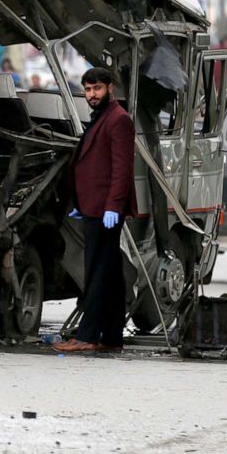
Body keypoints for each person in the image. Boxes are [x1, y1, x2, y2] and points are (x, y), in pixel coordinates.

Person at [55, 67, 136, 353]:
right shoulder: (102, 118)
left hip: (105, 211)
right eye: (88, 90)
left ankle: (88, 335)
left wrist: (114, 206)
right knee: (110, 273)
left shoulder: (119, 120)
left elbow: (122, 168)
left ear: (110, 88)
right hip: (93, 207)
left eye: (97, 89)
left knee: (98, 273)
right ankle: (112, 336)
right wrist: (81, 202)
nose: (91, 95)